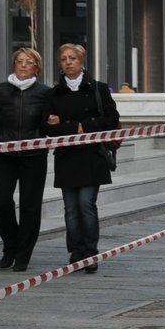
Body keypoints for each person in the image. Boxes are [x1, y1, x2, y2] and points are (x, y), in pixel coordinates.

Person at [42, 44, 119, 273]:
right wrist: (65, 127)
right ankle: (75, 253)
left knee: (86, 204)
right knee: (70, 209)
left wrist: (84, 126)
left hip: (92, 156)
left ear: (81, 61)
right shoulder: (53, 93)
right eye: (64, 58)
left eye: (73, 58)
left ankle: (91, 253)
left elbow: (112, 119)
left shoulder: (98, 89)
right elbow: (46, 127)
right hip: (67, 158)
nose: (68, 62)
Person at [0, 47, 50, 273]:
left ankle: (23, 254)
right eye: (19, 61)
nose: (23, 65)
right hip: (4, 155)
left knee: (30, 206)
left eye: (28, 62)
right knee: (2, 201)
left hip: (34, 156)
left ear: (36, 67)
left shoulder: (45, 93)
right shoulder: (0, 91)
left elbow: (48, 126)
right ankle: (10, 246)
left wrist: (54, 123)